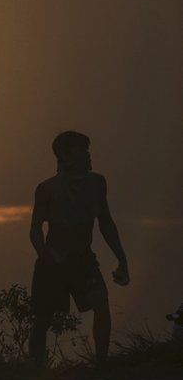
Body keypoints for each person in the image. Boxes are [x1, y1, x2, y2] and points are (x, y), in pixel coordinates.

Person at [28, 130, 129, 366]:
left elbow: (105, 222)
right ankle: (34, 368)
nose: (88, 155)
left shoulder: (97, 183)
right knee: (43, 317)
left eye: (87, 150)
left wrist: (122, 259)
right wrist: (46, 255)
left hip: (83, 259)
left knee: (101, 305)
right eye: (81, 150)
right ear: (64, 155)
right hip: (53, 261)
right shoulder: (47, 188)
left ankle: (101, 364)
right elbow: (35, 229)